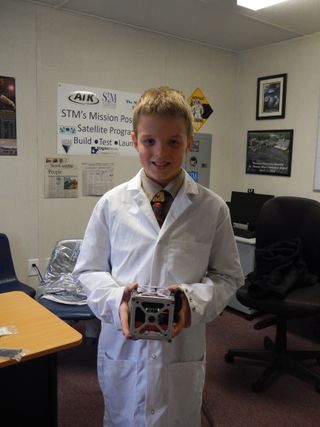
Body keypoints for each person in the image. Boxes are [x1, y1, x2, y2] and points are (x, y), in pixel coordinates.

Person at [73, 86, 244, 427]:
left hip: (180, 350)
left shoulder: (213, 209)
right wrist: (116, 299)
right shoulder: (111, 204)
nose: (160, 153)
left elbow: (228, 276)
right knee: (124, 417)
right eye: (149, 141)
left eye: (173, 142)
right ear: (134, 140)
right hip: (124, 348)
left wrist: (190, 301)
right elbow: (88, 270)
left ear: (189, 143)